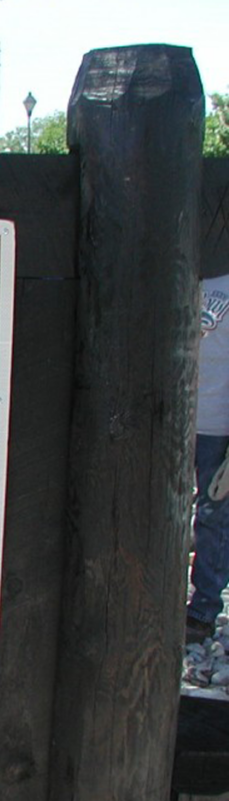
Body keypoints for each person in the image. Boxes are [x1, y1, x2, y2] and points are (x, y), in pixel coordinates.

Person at [186, 272, 229, 645]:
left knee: (213, 518)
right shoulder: (187, 276)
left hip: (218, 427)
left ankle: (202, 611)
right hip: (175, 418)